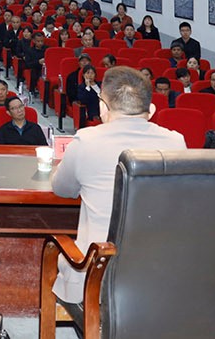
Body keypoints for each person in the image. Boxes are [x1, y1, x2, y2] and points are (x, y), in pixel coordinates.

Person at [51, 66, 185, 303]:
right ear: (151, 109)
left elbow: (63, 189)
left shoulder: (86, 141)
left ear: (103, 106)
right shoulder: (176, 142)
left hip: (97, 273)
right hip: (159, 272)